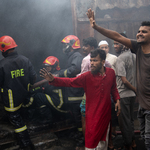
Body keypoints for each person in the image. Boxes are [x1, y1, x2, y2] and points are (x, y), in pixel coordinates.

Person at [87, 8, 150, 150]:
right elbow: (117, 36)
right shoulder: (138, 47)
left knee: (148, 140)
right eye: (139, 31)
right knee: (146, 137)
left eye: (144, 32)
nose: (139, 33)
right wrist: (96, 27)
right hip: (143, 105)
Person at [40, 49, 120, 150]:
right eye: (91, 60)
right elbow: (70, 82)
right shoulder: (86, 76)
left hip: (105, 114)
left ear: (103, 62)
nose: (91, 63)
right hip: (92, 116)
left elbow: (113, 88)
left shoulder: (111, 73)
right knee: (91, 145)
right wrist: (53, 79)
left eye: (95, 60)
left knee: (103, 143)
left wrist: (117, 100)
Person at [0, 35, 36, 150]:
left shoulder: (1, 65)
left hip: (12, 101)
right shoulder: (25, 60)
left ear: (3, 49)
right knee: (21, 115)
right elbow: (33, 77)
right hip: (26, 97)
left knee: (18, 122)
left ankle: (26, 145)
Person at [25, 56, 69, 124]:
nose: (46, 68)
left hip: (60, 104)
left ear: (54, 66)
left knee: (39, 97)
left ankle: (47, 119)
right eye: (45, 66)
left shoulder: (59, 74)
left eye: (49, 66)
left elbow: (50, 81)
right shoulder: (48, 76)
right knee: (40, 95)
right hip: (57, 103)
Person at [114, 33, 137, 150]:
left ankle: (128, 146)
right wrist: (136, 91)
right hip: (132, 95)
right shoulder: (135, 57)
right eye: (114, 43)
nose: (115, 46)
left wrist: (134, 89)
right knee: (131, 120)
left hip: (123, 94)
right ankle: (132, 142)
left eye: (117, 43)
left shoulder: (120, 58)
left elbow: (124, 80)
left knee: (124, 122)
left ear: (124, 44)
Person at [59, 35, 84, 139]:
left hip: (76, 94)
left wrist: (60, 74)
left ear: (71, 45)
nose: (64, 47)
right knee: (75, 116)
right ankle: (79, 135)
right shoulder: (71, 56)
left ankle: (82, 138)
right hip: (72, 92)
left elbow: (75, 69)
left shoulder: (77, 55)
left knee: (79, 117)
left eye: (65, 45)